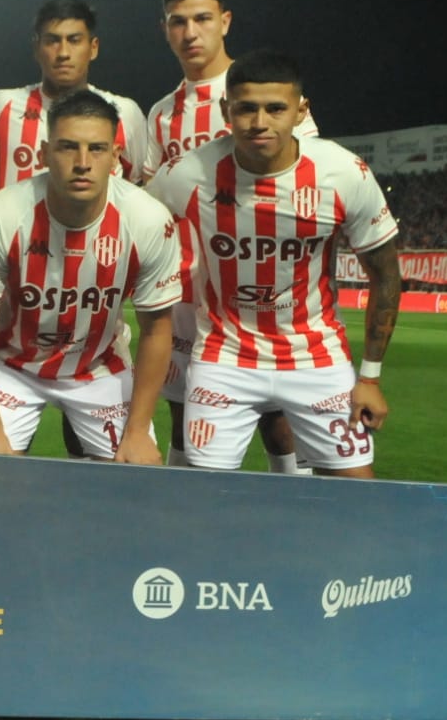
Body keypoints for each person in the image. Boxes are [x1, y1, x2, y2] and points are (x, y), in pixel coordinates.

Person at [151, 51, 401, 478]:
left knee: (358, 494)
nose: (259, 122)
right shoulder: (187, 174)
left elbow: (386, 274)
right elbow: (130, 224)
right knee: (200, 497)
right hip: (224, 360)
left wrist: (371, 378)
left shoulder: (342, 173)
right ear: (226, 110)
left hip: (317, 359)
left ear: (301, 111)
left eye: (275, 109)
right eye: (246, 108)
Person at [142, 0, 319, 472]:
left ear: (225, 21)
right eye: (178, 22)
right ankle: (186, 510)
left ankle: (296, 509)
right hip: (186, 291)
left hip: (257, 284)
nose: (190, 33)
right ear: (165, 29)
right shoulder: (162, 115)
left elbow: (305, 175)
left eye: (202, 19)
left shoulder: (262, 93)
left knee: (277, 418)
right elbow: (155, 202)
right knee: (184, 412)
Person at [0, 90, 181, 461]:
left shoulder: (148, 220)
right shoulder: (1, 214)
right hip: (13, 365)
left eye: (97, 149)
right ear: (44, 154)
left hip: (98, 366)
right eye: (67, 147)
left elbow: (156, 329)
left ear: (115, 156)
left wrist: (138, 431)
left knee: (138, 472)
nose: (82, 163)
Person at [0, 0, 149, 196]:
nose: (63, 53)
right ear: (37, 48)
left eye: (74, 40)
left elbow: (137, 184)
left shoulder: (124, 113)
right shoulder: (2, 106)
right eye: (52, 41)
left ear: (93, 47)